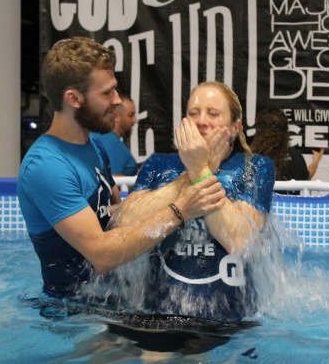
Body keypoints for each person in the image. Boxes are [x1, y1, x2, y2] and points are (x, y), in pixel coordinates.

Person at [17, 37, 226, 302]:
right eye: (106, 93)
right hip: (75, 315)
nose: (117, 100)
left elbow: (120, 219)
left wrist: (195, 173)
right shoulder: (47, 167)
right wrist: (181, 210)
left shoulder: (94, 144)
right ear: (73, 98)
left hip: (112, 301)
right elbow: (103, 255)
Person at [114, 81, 276, 322]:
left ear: (235, 127)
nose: (201, 120)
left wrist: (201, 169)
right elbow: (126, 224)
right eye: (193, 113)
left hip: (230, 318)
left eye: (213, 113)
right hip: (157, 312)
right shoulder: (158, 164)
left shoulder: (255, 167)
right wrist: (196, 171)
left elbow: (239, 239)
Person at [250, 108, 324, 194]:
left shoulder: (251, 160)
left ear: (259, 131)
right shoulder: (296, 156)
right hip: (293, 207)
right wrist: (316, 159)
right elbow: (308, 174)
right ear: (285, 131)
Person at [95, 95, 138, 176]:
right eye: (130, 115)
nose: (135, 120)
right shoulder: (111, 143)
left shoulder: (103, 138)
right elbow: (112, 179)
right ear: (116, 116)